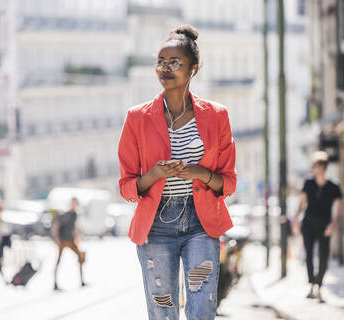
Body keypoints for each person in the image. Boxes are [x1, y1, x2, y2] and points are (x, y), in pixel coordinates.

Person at [118, 25, 237, 319]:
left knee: (201, 309)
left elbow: (229, 182)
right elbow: (126, 185)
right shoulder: (137, 118)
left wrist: (200, 173)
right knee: (163, 312)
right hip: (156, 227)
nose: (164, 68)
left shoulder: (216, 115)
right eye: (160, 61)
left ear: (193, 69)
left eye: (174, 62)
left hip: (201, 223)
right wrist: (155, 174)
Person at [293, 151, 343, 303]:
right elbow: (301, 203)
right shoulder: (308, 182)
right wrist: (297, 220)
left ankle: (319, 286)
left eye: (314, 165)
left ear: (322, 167)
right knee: (308, 254)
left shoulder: (333, 185)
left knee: (323, 255)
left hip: (325, 224)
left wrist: (333, 224)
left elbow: (339, 206)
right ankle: (311, 284)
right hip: (308, 223)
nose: (311, 168)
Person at [52, 197, 86, 291]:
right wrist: (57, 239)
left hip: (70, 240)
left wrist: (78, 236)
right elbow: (56, 225)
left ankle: (82, 281)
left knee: (81, 257)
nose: (75, 205)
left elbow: (74, 227)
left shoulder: (75, 215)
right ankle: (54, 283)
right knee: (58, 261)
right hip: (62, 241)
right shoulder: (66, 214)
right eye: (74, 203)